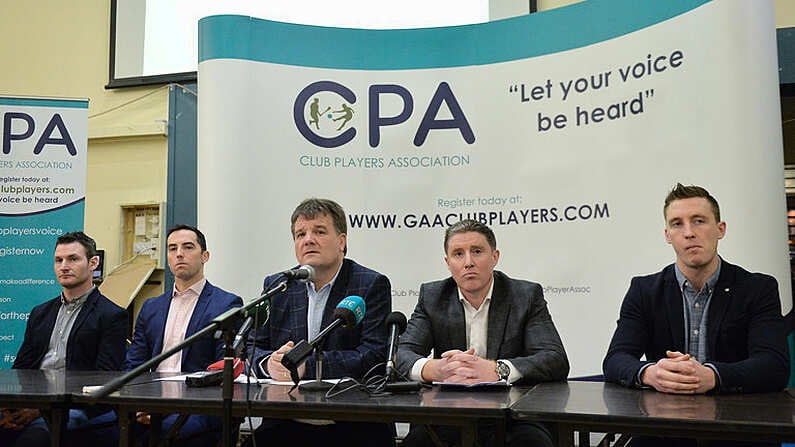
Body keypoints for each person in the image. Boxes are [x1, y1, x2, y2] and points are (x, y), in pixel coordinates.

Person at [603, 183, 790, 447]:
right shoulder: (644, 290)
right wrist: (651, 373)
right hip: (664, 429)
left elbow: (774, 365)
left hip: (738, 428)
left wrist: (712, 376)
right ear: (667, 235)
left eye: (699, 221)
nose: (689, 233)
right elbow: (615, 359)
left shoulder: (757, 288)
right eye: (677, 224)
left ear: (720, 229)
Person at [396, 219, 569, 447]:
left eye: (477, 251)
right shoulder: (433, 297)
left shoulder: (525, 296)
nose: (468, 262)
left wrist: (498, 369)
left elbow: (554, 358)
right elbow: (402, 354)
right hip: (449, 415)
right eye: (458, 254)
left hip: (513, 416)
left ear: (494, 257)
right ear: (448, 263)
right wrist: (435, 369)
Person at [245, 198, 393, 447]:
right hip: (286, 422)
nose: (308, 239)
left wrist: (305, 367)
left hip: (353, 424)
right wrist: (268, 364)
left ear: (342, 242)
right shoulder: (278, 286)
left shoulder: (369, 285)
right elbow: (249, 347)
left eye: (319, 231)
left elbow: (374, 356)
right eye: (300, 234)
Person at [0, 231, 127, 447]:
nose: (64, 266)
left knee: (34, 439)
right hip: (33, 403)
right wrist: (9, 406)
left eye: (73, 259)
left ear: (93, 263)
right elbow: (21, 369)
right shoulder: (40, 313)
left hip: (77, 407)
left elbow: (101, 379)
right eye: (58, 260)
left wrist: (41, 409)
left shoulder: (111, 315)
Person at [124, 224, 243, 447]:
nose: (179, 253)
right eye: (172, 248)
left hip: (196, 405)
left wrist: (170, 405)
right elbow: (134, 363)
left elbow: (221, 370)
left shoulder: (227, 304)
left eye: (188, 247)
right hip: (150, 399)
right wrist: (138, 402)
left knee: (163, 436)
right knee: (103, 430)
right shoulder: (151, 307)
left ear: (205, 256)